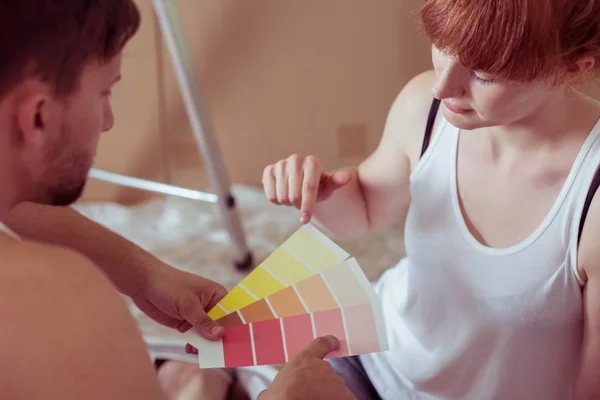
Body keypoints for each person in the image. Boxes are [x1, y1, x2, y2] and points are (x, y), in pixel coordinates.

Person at [160, 0, 600, 399]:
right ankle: (203, 379)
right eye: (442, 45)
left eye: (484, 74)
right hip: (373, 357)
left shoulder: (592, 192)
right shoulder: (424, 110)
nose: (443, 87)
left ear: (575, 67)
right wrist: (319, 191)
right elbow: (365, 212)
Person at [0, 1, 353, 399]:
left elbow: (15, 208)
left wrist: (143, 273)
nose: (107, 120)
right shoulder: (53, 301)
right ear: (37, 117)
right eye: (104, 92)